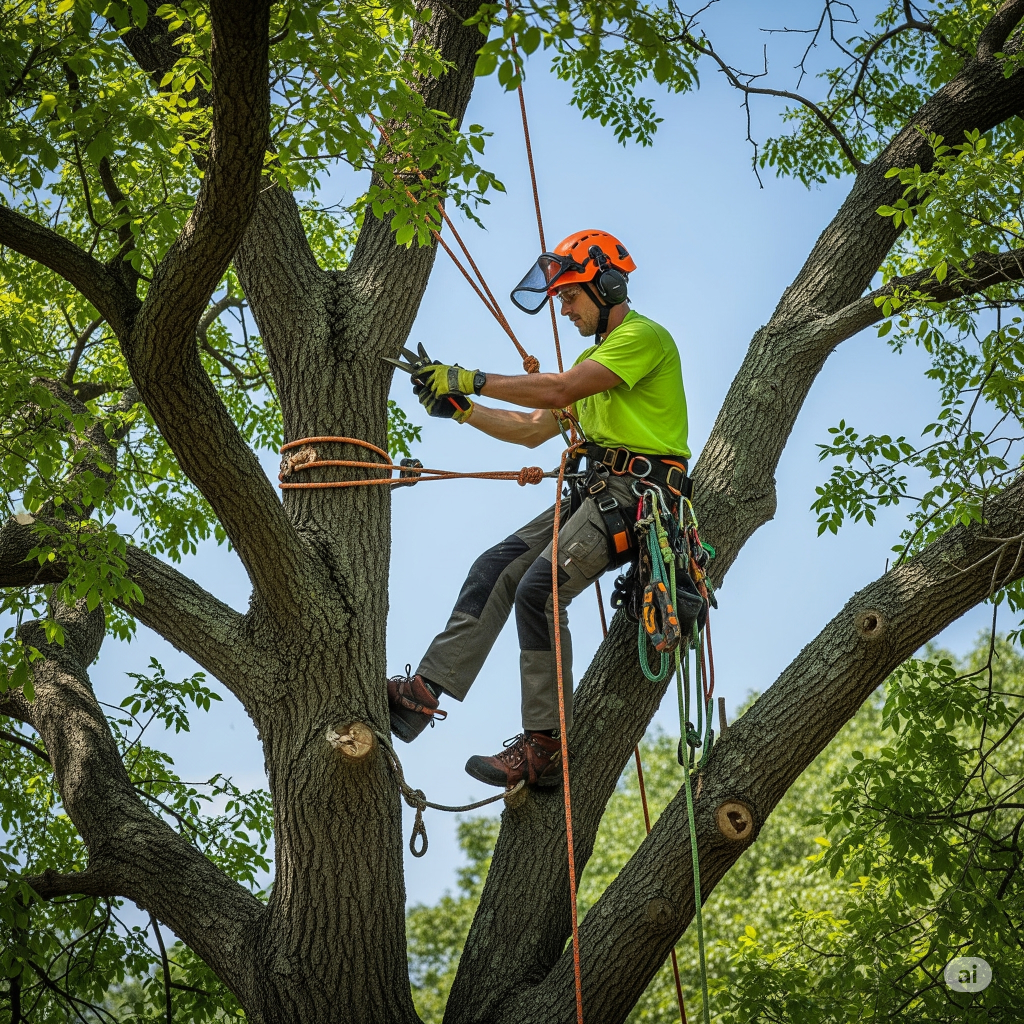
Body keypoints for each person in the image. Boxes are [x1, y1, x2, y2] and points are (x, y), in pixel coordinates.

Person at [387, 230, 691, 788]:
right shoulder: (590, 358)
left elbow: (556, 392)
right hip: (597, 491)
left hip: (637, 497)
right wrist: (461, 408)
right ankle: (422, 695)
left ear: (609, 286)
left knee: (540, 588)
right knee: (494, 567)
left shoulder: (643, 338)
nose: (564, 307)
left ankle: (545, 745)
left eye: (571, 296)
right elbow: (532, 431)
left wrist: (471, 376)